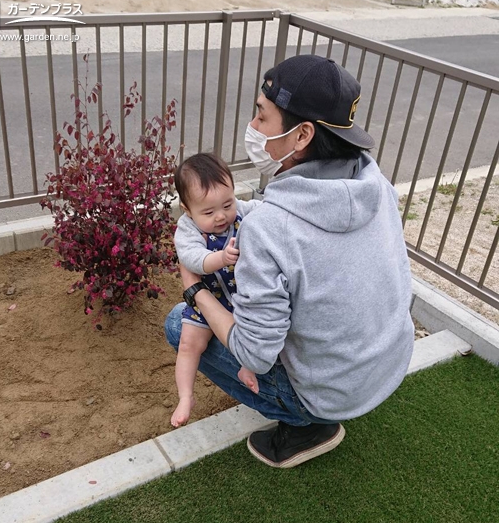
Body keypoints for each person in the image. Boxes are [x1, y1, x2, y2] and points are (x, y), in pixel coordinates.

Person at [165, 55, 414, 468]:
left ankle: (307, 426)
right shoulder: (375, 183)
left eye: (261, 116)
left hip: (328, 397)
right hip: (386, 365)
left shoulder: (268, 228)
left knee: (180, 321)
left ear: (302, 136)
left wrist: (195, 291)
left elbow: (254, 354)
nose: (253, 126)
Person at [171, 153, 261, 427]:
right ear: (187, 209)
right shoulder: (187, 230)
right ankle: (186, 396)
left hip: (241, 299)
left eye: (227, 204)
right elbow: (192, 259)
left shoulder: (243, 211)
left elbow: (267, 209)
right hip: (209, 301)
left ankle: (249, 366)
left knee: (250, 335)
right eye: (208, 212)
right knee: (188, 345)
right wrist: (220, 258)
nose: (221, 216)